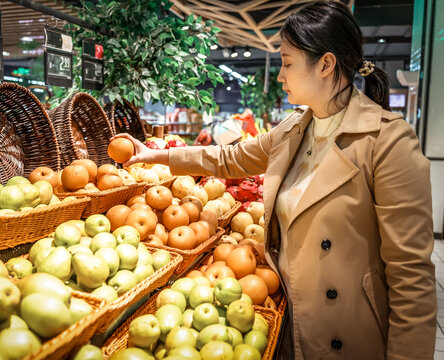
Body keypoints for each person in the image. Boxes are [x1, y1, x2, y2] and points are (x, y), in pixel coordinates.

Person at [113, 1, 436, 359]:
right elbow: (230, 157)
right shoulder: (295, 128)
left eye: (286, 63)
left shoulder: (389, 142)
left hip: (348, 335)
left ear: (325, 64)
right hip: (286, 324)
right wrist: (157, 155)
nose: (280, 75)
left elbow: (412, 280)